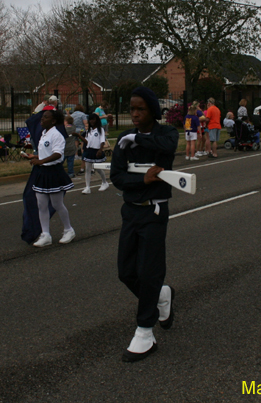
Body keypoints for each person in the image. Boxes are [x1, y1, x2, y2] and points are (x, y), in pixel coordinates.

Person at [110, 86, 179, 362]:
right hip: (131, 211)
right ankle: (161, 295)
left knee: (149, 271)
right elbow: (117, 176)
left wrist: (137, 140)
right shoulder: (124, 139)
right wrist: (142, 180)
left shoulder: (167, 134)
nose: (135, 114)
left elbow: (167, 147)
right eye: (132, 109)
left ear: (152, 110)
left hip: (155, 211)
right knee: (126, 272)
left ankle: (145, 331)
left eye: (140, 109)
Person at [26, 109, 75, 247]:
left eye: (45, 118)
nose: (42, 120)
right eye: (42, 117)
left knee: (56, 204)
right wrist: (35, 157)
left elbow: (58, 154)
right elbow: (46, 153)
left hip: (54, 172)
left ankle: (68, 230)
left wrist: (41, 161)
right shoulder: (43, 133)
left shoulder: (56, 135)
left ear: (53, 121)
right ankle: (45, 234)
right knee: (41, 204)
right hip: (43, 172)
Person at [80, 113, 109, 194]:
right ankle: (87, 187)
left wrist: (100, 150)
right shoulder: (88, 131)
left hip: (97, 151)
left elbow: (102, 141)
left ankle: (104, 182)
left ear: (96, 120)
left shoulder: (100, 129)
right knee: (88, 169)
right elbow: (86, 141)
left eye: (93, 119)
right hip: (89, 151)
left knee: (98, 169)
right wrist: (79, 136)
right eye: (90, 119)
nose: (92, 121)